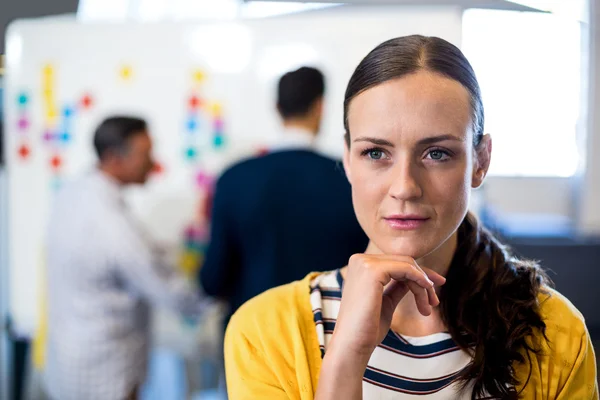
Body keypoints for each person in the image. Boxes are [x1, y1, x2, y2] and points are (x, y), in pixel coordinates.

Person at [224, 36, 598, 399]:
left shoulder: (554, 332)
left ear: (480, 161)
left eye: (436, 153)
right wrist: (346, 357)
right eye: (375, 153)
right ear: (348, 159)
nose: (404, 187)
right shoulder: (264, 331)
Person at [44, 116, 204, 400]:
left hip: (71, 357)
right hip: (105, 370)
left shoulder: (76, 193)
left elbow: (129, 254)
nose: (153, 164)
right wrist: (213, 297)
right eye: (145, 154)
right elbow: (163, 286)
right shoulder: (109, 221)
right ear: (113, 158)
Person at [200, 66, 368, 326]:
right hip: (332, 335)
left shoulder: (234, 178)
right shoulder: (351, 178)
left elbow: (213, 279)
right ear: (320, 107)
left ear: (277, 108)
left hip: (251, 338)